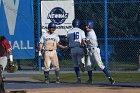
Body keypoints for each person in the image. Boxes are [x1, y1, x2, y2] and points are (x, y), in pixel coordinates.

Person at [84, 20, 115, 84]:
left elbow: (85, 42)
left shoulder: (91, 33)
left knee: (100, 65)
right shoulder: (89, 32)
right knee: (88, 66)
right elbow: (86, 43)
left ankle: (110, 78)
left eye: (87, 25)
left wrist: (82, 41)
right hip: (90, 50)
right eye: (86, 25)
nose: (86, 27)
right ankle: (90, 79)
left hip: (94, 50)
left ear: (91, 26)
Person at [67, 19, 87, 83]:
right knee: (80, 59)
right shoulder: (81, 31)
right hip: (80, 47)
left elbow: (66, 40)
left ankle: (78, 78)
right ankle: (82, 64)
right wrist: (86, 47)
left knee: (75, 65)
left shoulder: (69, 31)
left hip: (72, 49)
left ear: (73, 24)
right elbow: (83, 41)